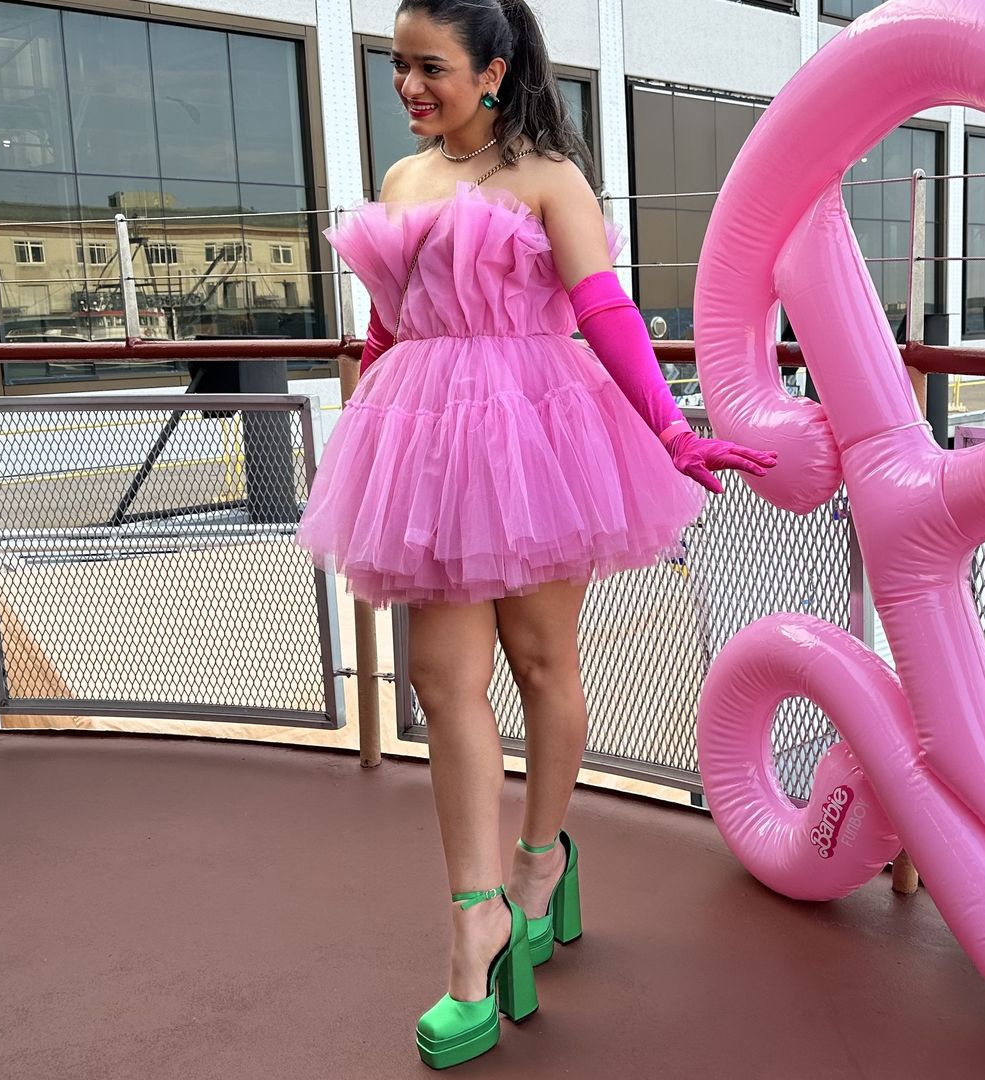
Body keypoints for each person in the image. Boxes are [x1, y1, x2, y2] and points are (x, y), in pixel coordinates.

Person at [296, 0, 776, 1068]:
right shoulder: (403, 181)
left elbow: (603, 308)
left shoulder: (551, 179)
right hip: (428, 434)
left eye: (429, 68)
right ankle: (475, 929)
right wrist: (373, 439)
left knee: (543, 660)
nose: (408, 87)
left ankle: (539, 863)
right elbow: (388, 323)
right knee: (439, 678)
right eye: (396, 67)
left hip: (542, 429)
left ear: (496, 72)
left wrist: (670, 428)